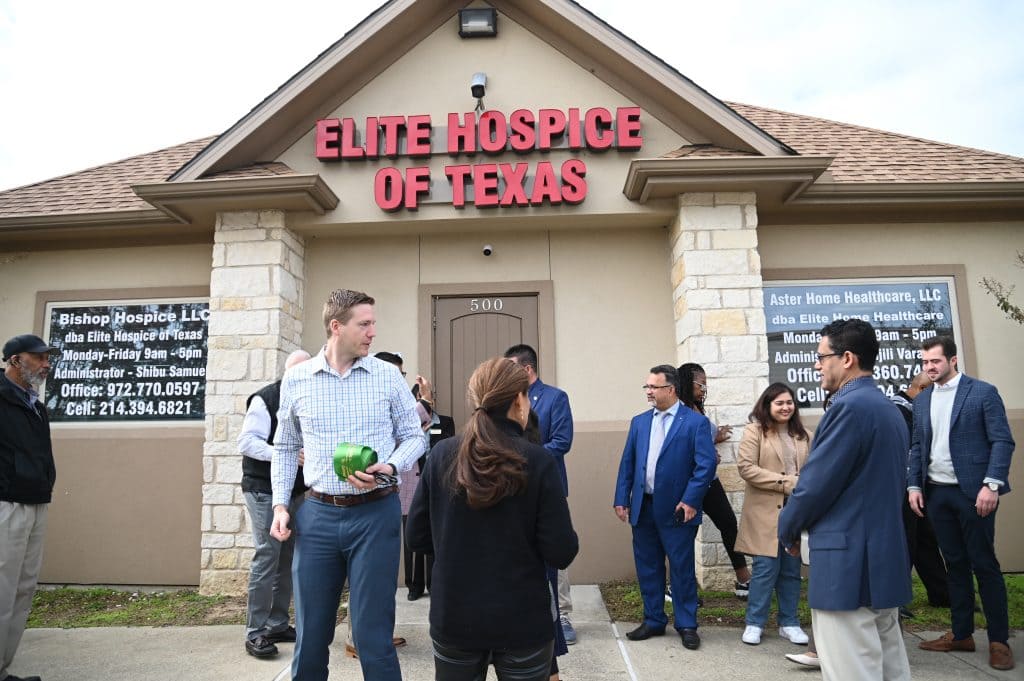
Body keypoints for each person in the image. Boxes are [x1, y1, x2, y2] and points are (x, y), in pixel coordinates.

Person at [269, 289, 425, 681]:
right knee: (311, 636)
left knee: (373, 636)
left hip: (376, 515)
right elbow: (285, 446)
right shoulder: (297, 380)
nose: (374, 331)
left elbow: (415, 437)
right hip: (318, 517)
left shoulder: (387, 376)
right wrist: (280, 506)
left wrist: (390, 465)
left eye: (373, 323)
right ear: (336, 327)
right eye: (365, 323)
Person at [406, 357, 578, 681]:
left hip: (454, 615)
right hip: (522, 620)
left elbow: (416, 537)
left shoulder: (442, 454)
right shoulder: (538, 460)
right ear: (518, 400)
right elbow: (561, 550)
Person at [778, 319, 912, 681]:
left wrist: (787, 529)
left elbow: (814, 487)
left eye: (821, 356)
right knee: (889, 669)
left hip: (847, 565)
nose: (817, 364)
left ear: (847, 357)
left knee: (851, 671)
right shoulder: (887, 408)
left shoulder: (849, 408)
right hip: (882, 560)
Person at [908, 336, 1015, 671]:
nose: (929, 368)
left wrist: (991, 485)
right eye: (925, 363)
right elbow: (916, 446)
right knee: (953, 564)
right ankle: (961, 633)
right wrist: (914, 484)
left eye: (935, 362)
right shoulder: (923, 401)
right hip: (937, 494)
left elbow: (1002, 441)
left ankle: (999, 640)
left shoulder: (982, 392)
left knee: (984, 564)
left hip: (974, 493)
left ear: (953, 360)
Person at [613, 364, 716, 651]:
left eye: (653, 387)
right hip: (643, 508)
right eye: (646, 386)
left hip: (678, 510)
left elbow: (705, 465)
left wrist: (692, 499)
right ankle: (654, 620)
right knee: (648, 567)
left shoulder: (694, 423)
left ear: (670, 389)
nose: (648, 391)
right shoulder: (639, 422)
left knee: (682, 569)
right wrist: (622, 498)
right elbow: (628, 464)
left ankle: (686, 624)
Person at [238, 349, 311, 658]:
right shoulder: (265, 399)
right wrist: (286, 455)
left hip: (293, 492)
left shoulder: (306, 397)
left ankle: (278, 624)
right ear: (289, 373)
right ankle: (255, 632)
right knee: (268, 554)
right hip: (262, 490)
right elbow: (247, 442)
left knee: (287, 557)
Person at [503, 344, 578, 644]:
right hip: (511, 489)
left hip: (547, 487)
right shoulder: (507, 399)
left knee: (553, 549)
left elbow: (562, 441)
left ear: (527, 368)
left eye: (510, 367)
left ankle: (563, 615)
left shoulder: (555, 398)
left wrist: (523, 458)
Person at [735, 383, 810, 646]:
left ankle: (789, 622)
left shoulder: (803, 435)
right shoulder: (754, 431)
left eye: (789, 402)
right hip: (765, 514)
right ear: (767, 405)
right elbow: (746, 468)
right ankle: (754, 622)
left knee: (791, 570)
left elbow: (812, 472)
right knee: (765, 570)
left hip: (796, 513)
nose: (786, 407)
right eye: (779, 403)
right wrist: (787, 481)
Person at [1, 334, 56, 681]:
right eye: (38, 358)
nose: (46, 364)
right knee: (2, 589)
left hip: (36, 501)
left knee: (22, 590)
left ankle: (3, 668)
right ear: (15, 360)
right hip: (7, 503)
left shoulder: (36, 405)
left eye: (48, 358)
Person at [677, 363, 752, 598]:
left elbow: (700, 438)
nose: (704, 389)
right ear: (687, 384)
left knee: (729, 524)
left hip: (710, 480)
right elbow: (678, 447)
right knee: (684, 534)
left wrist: (714, 438)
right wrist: (708, 451)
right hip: (690, 481)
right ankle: (679, 586)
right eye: (701, 384)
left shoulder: (697, 408)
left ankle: (743, 580)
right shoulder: (677, 411)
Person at [890, 371, 949, 617]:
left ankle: (943, 594)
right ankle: (896, 599)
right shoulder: (898, 411)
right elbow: (908, 451)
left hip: (920, 486)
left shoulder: (915, 411)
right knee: (906, 541)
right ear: (923, 389)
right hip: (903, 486)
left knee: (926, 540)